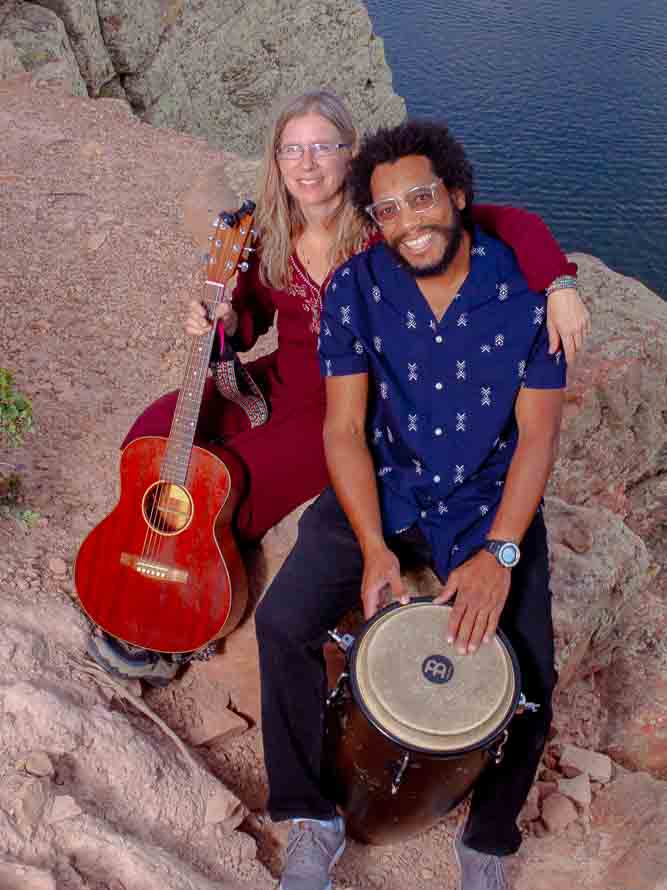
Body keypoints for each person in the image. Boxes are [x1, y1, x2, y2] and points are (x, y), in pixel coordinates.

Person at [87, 90, 589, 686]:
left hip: (349, 403)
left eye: (323, 148)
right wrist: (219, 320)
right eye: (292, 150)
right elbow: (249, 323)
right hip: (280, 378)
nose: (307, 164)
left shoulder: (389, 224)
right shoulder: (268, 230)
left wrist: (558, 280)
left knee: (232, 482)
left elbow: (505, 222)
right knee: (155, 428)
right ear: (276, 161)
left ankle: (177, 612)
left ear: (350, 155)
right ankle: (136, 560)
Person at [254, 118, 568, 890]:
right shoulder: (357, 288)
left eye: (421, 198)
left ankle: (489, 839)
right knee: (285, 623)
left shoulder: (528, 294)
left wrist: (501, 552)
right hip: (384, 491)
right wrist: (370, 549)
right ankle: (308, 816)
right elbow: (341, 431)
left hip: (484, 505)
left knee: (531, 673)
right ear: (375, 220)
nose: (407, 220)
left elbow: (537, 434)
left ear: (457, 197)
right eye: (387, 209)